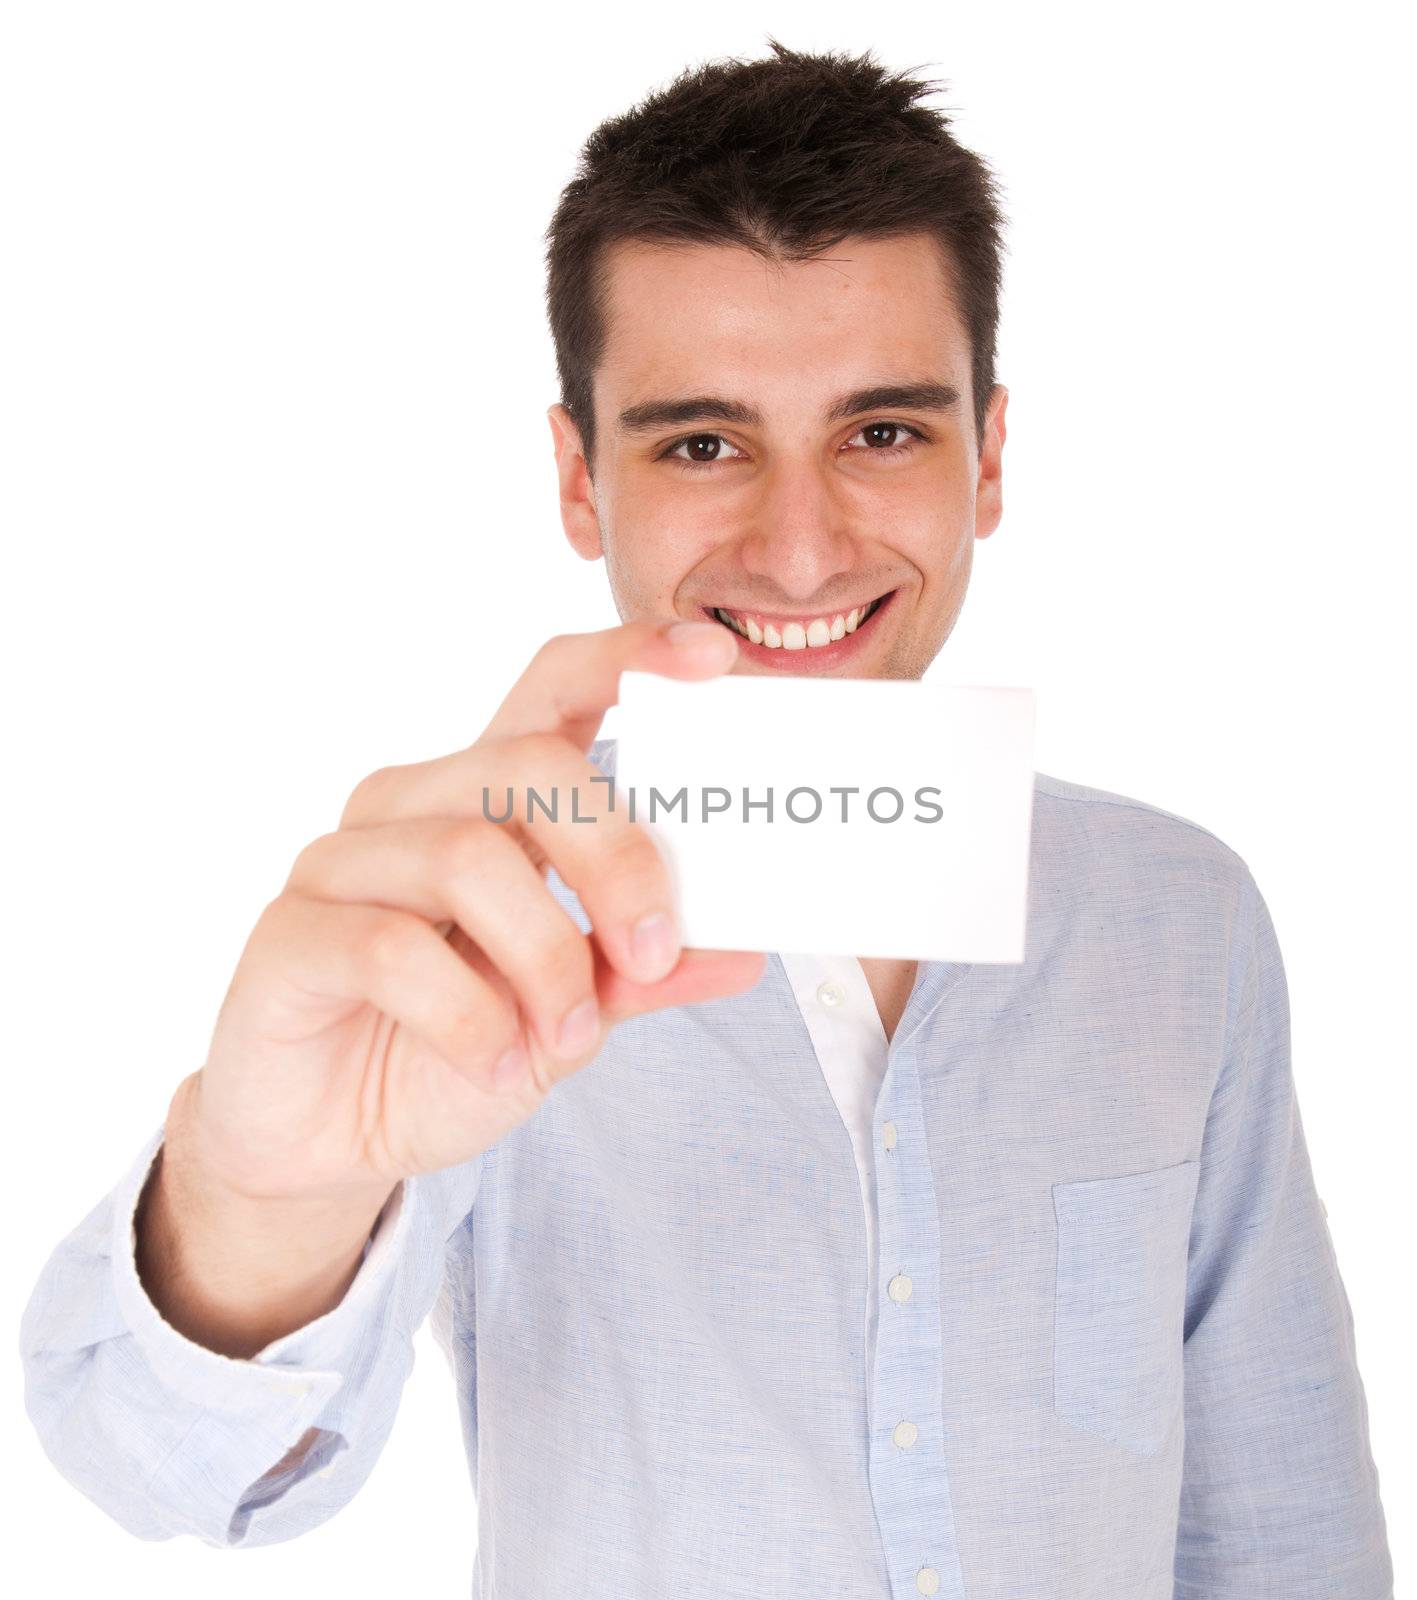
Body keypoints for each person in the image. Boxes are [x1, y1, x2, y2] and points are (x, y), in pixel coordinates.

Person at [19, 38, 1393, 1600]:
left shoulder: (1179, 915)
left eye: (881, 432)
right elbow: (157, 1465)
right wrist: (269, 1194)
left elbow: (1282, 1529)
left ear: (987, 458)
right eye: (699, 442)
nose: (799, 550)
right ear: (580, 482)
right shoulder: (482, 926)